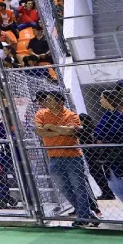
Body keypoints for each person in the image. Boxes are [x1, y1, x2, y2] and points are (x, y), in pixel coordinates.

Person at [34, 91, 94, 226]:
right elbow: (39, 131)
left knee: (79, 187)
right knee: (63, 188)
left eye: (50, 99)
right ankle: (86, 213)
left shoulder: (71, 115)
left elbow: (71, 131)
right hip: (53, 156)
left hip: (72, 156)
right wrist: (60, 131)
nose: (47, 102)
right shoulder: (41, 113)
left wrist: (51, 127)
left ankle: (84, 217)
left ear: (60, 102)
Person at [93, 89, 123, 202]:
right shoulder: (108, 114)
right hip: (111, 155)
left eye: (102, 98)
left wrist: (103, 137)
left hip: (118, 154)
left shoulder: (119, 113)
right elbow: (97, 132)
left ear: (108, 99)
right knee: (114, 185)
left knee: (116, 185)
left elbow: (114, 133)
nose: (100, 101)